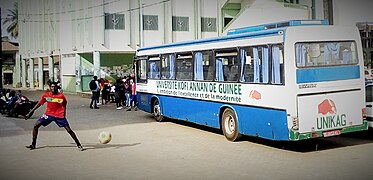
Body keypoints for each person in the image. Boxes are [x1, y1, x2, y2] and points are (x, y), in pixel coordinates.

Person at [24, 82, 84, 151]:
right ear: (50, 88)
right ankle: (33, 144)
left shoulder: (61, 96)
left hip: (59, 115)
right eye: (52, 87)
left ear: (57, 88)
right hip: (48, 114)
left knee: (69, 130)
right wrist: (30, 113)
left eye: (54, 87)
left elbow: (64, 105)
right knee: (36, 126)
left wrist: (64, 114)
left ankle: (79, 144)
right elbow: (39, 104)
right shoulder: (46, 95)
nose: (53, 88)